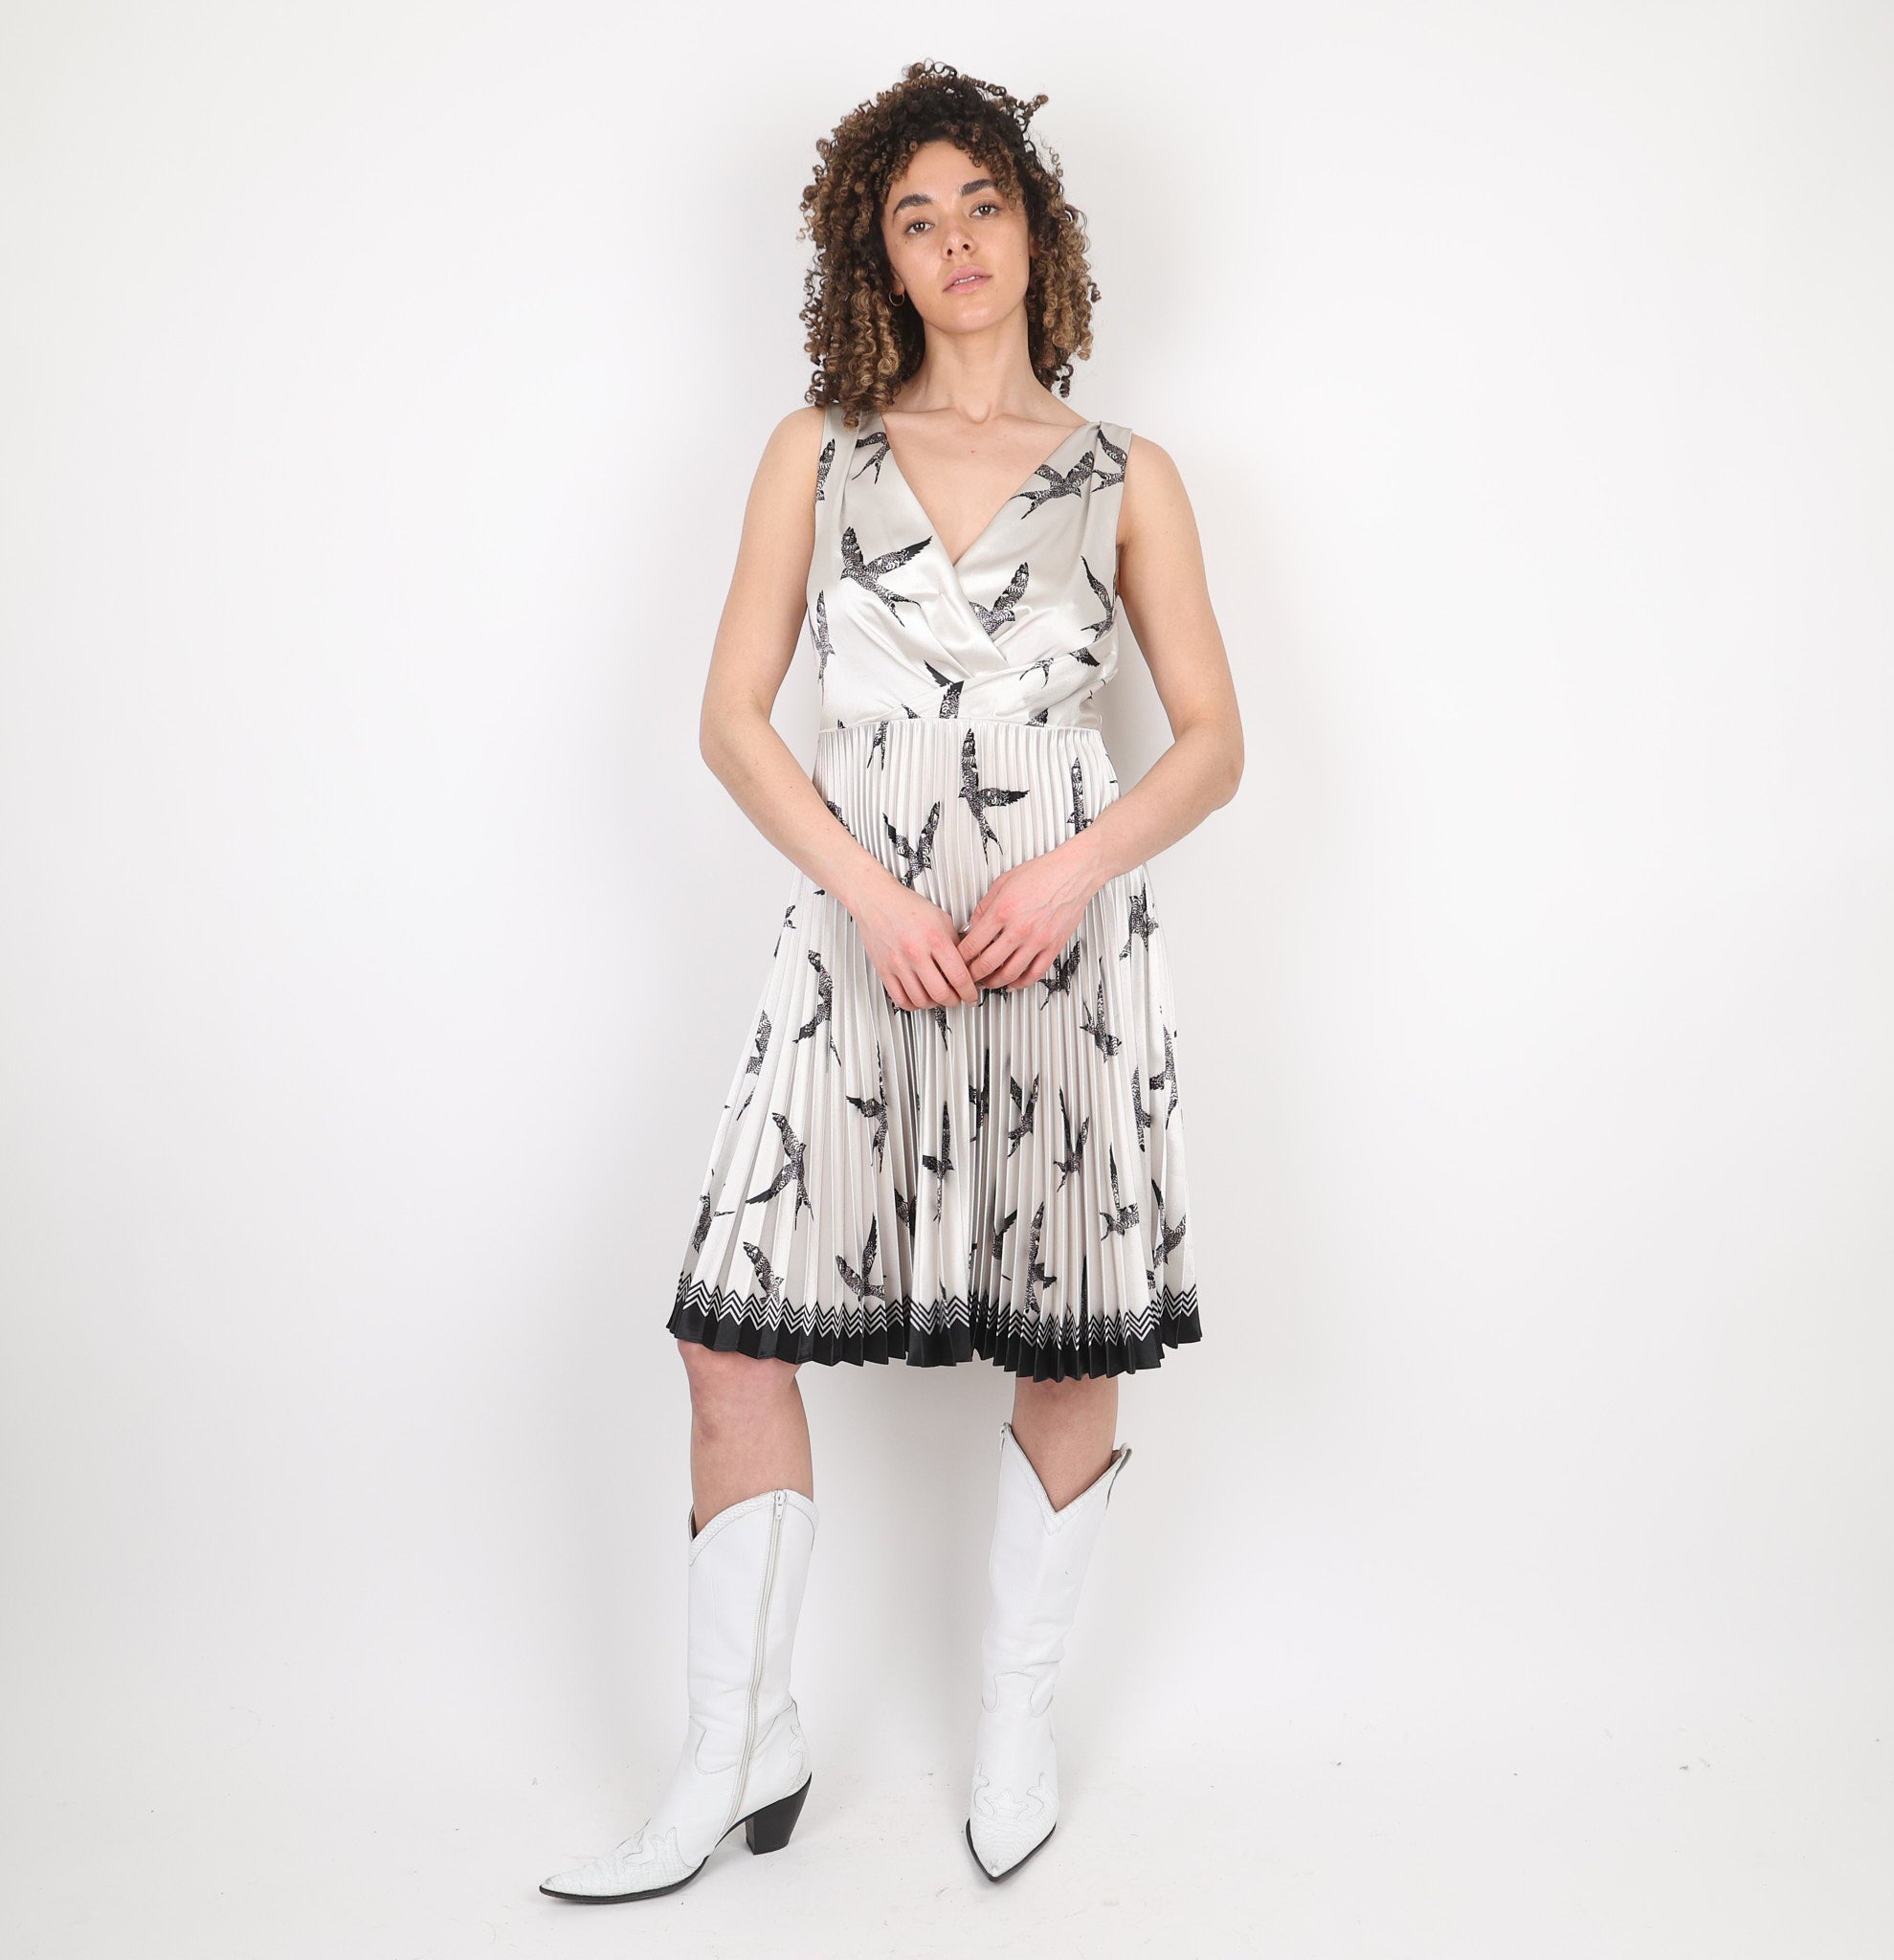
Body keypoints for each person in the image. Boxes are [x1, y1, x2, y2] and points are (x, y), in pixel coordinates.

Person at [540, 58, 1243, 1903]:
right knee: (728, 1332)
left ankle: (1015, 1726)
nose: (954, 241)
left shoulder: (1131, 475)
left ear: (1037, 231)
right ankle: (736, 1748)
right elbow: (731, 718)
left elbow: (1213, 742)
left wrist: (1071, 873)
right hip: (860, 944)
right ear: (881, 257)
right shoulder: (817, 452)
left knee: (1069, 1329)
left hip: (1053, 951)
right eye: (914, 218)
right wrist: (867, 894)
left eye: (981, 204)